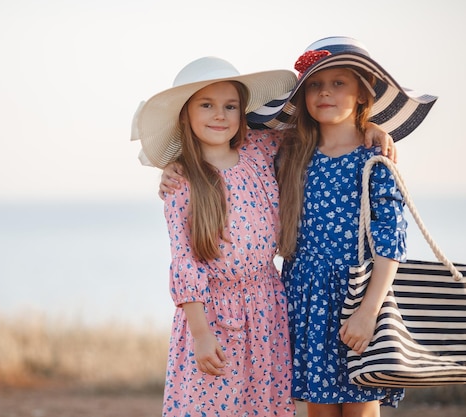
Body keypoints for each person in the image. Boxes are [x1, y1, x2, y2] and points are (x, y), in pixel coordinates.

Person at [274, 36, 436, 417]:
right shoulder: (290, 154)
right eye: (314, 84)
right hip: (308, 299)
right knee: (319, 410)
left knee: (361, 407)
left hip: (359, 297)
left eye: (338, 83)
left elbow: (391, 241)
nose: (324, 92)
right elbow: (229, 152)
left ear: (363, 94)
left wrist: (368, 311)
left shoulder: (374, 160)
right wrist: (176, 168)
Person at [131, 56, 298, 416]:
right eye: (206, 105)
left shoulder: (258, 151)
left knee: (261, 405)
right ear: (185, 116)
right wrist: (201, 335)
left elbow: (312, 130)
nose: (219, 115)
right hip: (212, 316)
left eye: (230, 106)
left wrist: (372, 131)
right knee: (210, 404)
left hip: (266, 307)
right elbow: (184, 264)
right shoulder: (183, 183)